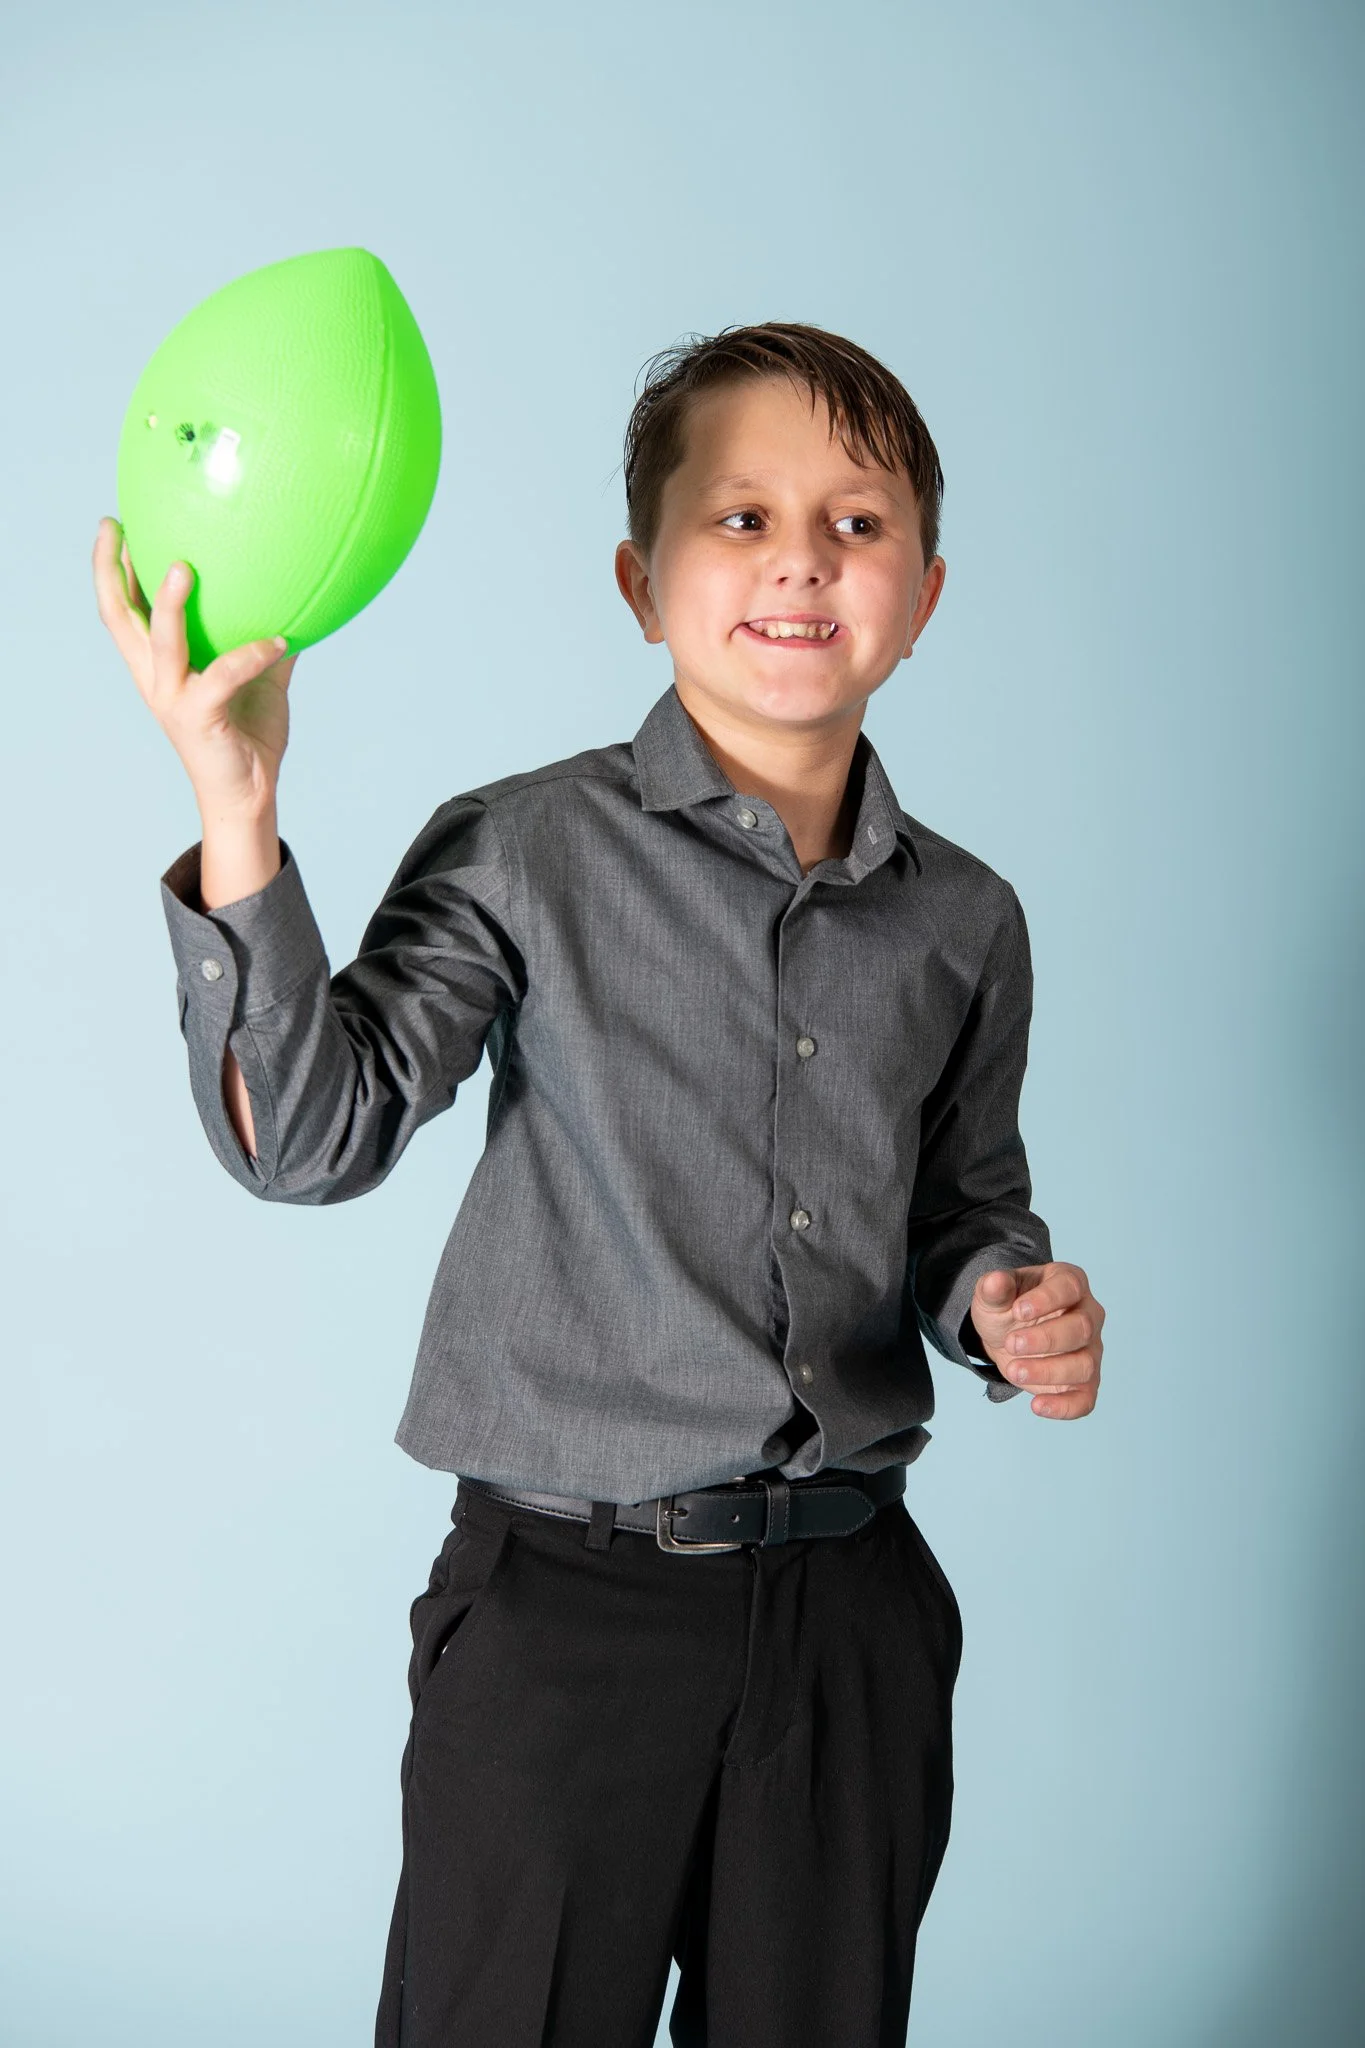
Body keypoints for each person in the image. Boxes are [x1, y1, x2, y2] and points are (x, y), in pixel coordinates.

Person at [93, 320, 1105, 2048]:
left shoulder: (969, 920)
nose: (800, 558)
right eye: (739, 518)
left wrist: (1006, 1299)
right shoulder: (524, 847)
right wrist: (238, 800)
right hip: (567, 1616)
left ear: (925, 591)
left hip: (852, 1619)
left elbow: (959, 1208)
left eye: (857, 525)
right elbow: (314, 1134)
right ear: (642, 581)